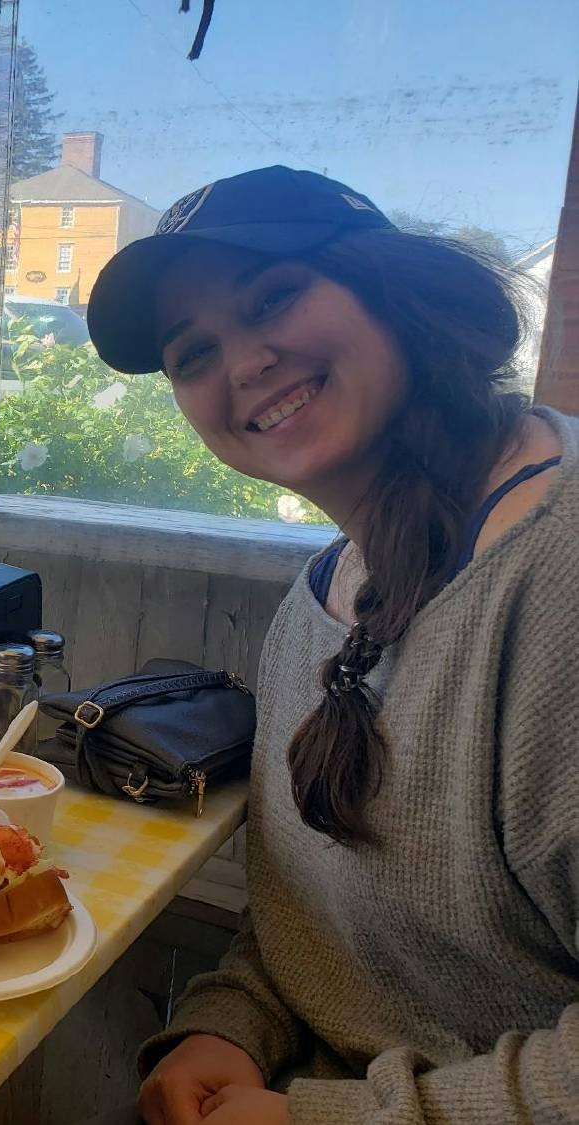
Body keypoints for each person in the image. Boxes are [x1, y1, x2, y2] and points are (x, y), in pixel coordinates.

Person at [84, 167, 576, 1124]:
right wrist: (227, 1027)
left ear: (392, 288)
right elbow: (309, 931)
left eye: (275, 294)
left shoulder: (551, 576)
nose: (245, 365)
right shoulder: (316, 605)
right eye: (193, 355)